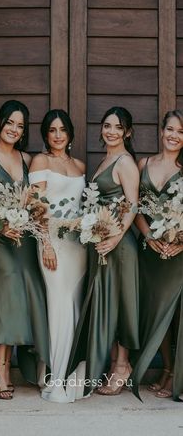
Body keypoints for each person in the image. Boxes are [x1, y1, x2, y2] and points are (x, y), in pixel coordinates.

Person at [0, 100, 50, 400]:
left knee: (23, 297)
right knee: (5, 298)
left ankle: (11, 361)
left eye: (20, 125)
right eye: (10, 123)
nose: (14, 129)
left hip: (23, 240)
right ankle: (0, 367)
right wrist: (0, 224)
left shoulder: (28, 159)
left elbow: (36, 201)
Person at [66, 106, 140, 397]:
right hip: (103, 245)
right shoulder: (105, 160)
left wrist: (116, 237)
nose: (110, 131)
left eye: (118, 127)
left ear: (127, 132)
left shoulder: (125, 162)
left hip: (119, 247)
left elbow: (132, 204)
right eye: (107, 125)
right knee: (106, 304)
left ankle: (122, 366)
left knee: (119, 303)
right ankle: (111, 364)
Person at [29, 109, 87, 403]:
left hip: (78, 245)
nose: (58, 135)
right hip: (51, 243)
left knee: (75, 307)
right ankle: (54, 377)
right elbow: (37, 206)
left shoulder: (80, 165)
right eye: (52, 130)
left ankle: (73, 378)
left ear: (70, 133)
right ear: (45, 134)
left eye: (63, 129)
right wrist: (45, 244)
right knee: (58, 305)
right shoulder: (41, 161)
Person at [130, 109, 183, 401]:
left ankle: (177, 375)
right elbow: (135, 207)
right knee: (155, 314)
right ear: (161, 131)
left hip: (178, 253)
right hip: (150, 251)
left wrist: (181, 243)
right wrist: (148, 236)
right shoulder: (144, 163)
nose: (174, 136)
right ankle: (167, 369)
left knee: (175, 316)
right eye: (171, 130)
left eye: (181, 132)